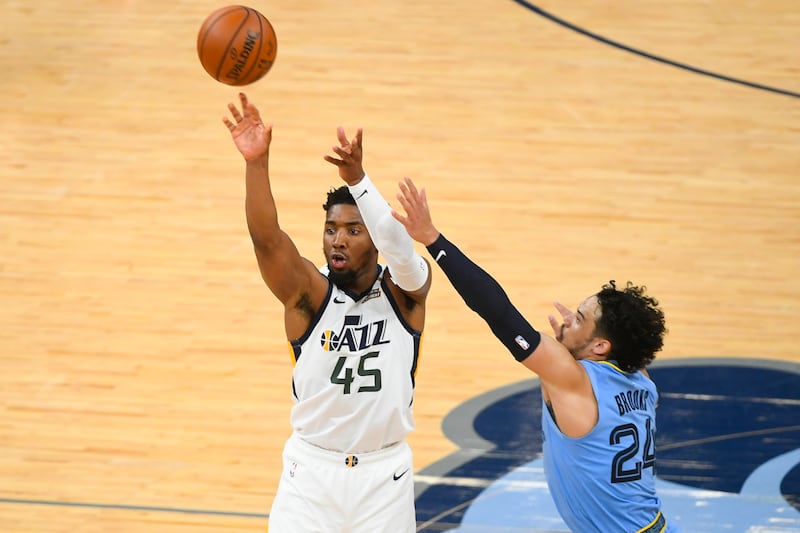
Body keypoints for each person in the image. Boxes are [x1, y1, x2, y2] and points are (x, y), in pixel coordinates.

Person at [391, 177, 679, 533]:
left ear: (601, 346)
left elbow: (497, 312)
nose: (568, 318)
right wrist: (574, 348)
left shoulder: (572, 379)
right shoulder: (641, 380)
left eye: (580, 317)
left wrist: (434, 240)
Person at [222, 93, 432, 533]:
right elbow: (268, 240)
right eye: (331, 229)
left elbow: (399, 245)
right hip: (311, 477)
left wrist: (358, 179)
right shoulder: (307, 294)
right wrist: (256, 164)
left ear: (373, 238)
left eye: (354, 231)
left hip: (384, 478)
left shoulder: (405, 292)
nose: (338, 240)